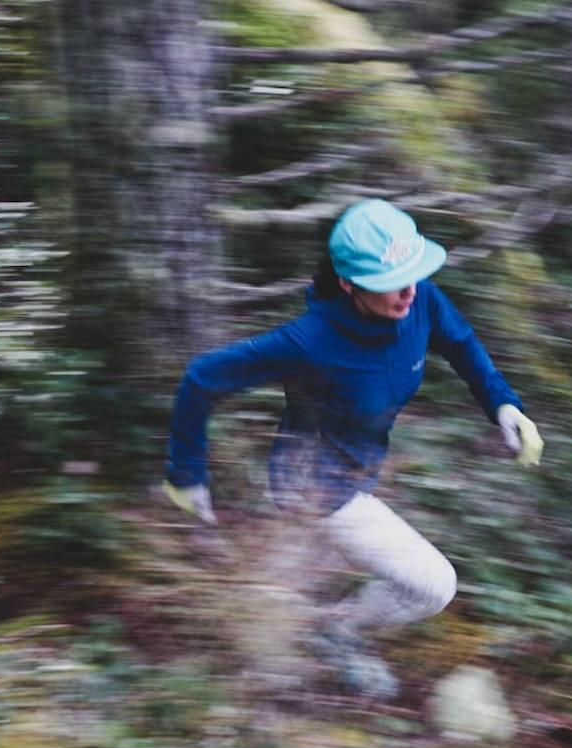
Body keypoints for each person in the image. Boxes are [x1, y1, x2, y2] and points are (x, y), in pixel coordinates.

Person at [161, 198, 543, 699]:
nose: (408, 290)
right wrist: (186, 471)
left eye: (412, 274)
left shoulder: (421, 301)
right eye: (391, 281)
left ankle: (296, 630)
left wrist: (503, 405)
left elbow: (462, 344)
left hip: (360, 474)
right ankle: (334, 633)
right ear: (348, 283)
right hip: (312, 489)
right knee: (434, 585)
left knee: (295, 586)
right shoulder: (310, 341)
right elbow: (201, 377)